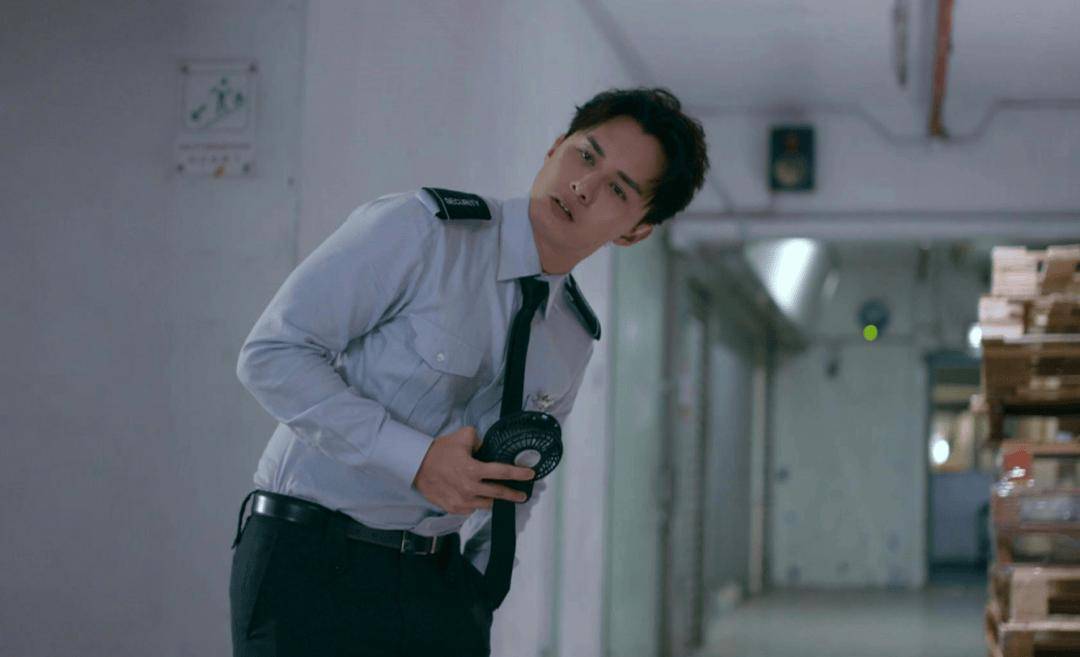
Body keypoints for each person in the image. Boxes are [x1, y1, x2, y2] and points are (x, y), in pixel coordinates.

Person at [230, 87, 709, 657]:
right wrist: (417, 460)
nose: (584, 186)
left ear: (635, 231)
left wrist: (479, 589)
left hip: (439, 587)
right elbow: (272, 354)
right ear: (554, 148)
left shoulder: (572, 335)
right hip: (311, 562)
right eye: (585, 155)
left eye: (617, 189)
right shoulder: (425, 233)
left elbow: (525, 473)